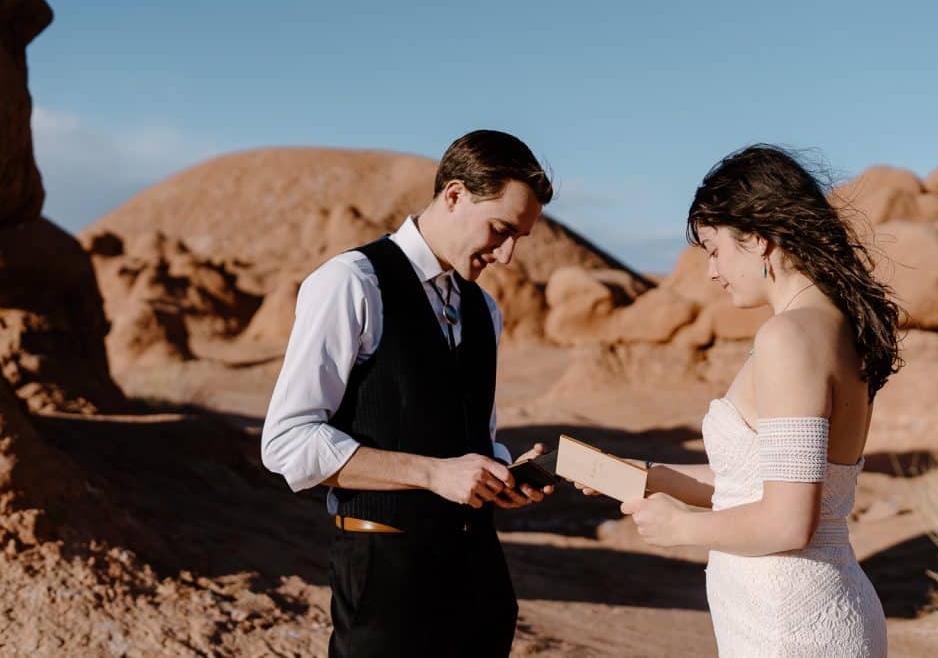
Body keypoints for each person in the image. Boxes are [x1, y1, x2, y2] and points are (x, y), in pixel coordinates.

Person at [261, 130, 556, 657]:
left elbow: (470, 438)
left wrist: (501, 473)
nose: (507, 255)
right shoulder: (351, 283)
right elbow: (288, 443)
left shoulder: (485, 312)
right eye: (500, 230)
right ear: (455, 195)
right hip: (385, 575)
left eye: (520, 238)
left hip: (478, 578)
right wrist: (433, 474)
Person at [612, 145, 901, 656]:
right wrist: (647, 474)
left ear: (759, 239)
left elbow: (789, 522)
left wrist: (679, 528)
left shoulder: (788, 337)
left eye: (713, 247)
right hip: (799, 614)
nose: (711, 271)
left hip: (789, 627)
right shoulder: (832, 326)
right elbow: (765, 483)